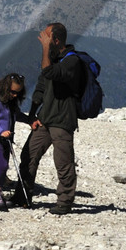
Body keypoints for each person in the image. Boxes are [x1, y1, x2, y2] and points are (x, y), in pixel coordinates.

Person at [23, 21, 88, 215]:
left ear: (56, 40)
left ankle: (65, 201)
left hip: (62, 120)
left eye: (46, 37)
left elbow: (48, 72)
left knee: (63, 162)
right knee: (29, 155)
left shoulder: (71, 61)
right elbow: (41, 86)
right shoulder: (53, 58)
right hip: (45, 118)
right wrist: (32, 114)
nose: (42, 39)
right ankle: (23, 194)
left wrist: (44, 49)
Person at [0, 73, 28, 211]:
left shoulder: (10, 100)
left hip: (6, 138)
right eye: (13, 92)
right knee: (2, 165)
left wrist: (30, 120)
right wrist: (0, 132)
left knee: (4, 165)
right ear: (6, 88)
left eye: (18, 93)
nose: (15, 95)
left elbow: (17, 115)